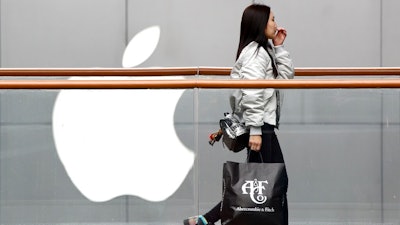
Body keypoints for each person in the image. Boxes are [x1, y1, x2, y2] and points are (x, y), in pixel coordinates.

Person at [183, 3, 294, 225]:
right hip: (260, 126)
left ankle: (205, 220)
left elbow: (286, 79)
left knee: (264, 184)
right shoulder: (255, 54)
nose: (276, 23)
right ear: (261, 24)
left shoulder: (265, 51)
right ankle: (205, 220)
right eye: (272, 19)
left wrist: (279, 47)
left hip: (263, 125)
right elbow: (252, 93)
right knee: (270, 184)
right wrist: (255, 131)